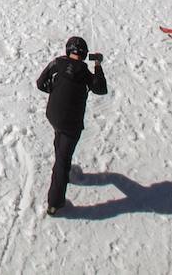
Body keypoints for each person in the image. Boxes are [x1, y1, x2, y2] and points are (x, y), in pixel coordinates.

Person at [36, 36, 107, 216]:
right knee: (62, 163)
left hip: (53, 116)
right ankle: (55, 203)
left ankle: (61, 156)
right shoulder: (85, 73)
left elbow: (40, 83)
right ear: (84, 55)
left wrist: (54, 89)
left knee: (60, 138)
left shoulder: (57, 63)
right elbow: (100, 88)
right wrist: (98, 65)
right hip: (71, 124)